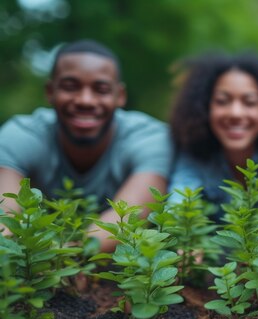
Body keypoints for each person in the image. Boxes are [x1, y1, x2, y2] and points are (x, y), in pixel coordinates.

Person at [0, 39, 172, 252]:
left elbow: (126, 220)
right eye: (70, 87)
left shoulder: (150, 138)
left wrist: (57, 257)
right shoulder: (21, 135)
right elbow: (5, 220)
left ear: (120, 96)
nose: (85, 100)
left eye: (101, 89)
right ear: (49, 91)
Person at [168, 52, 258, 227]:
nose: (235, 113)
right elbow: (180, 199)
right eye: (222, 101)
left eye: (249, 102)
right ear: (205, 107)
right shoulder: (194, 149)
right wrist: (186, 238)